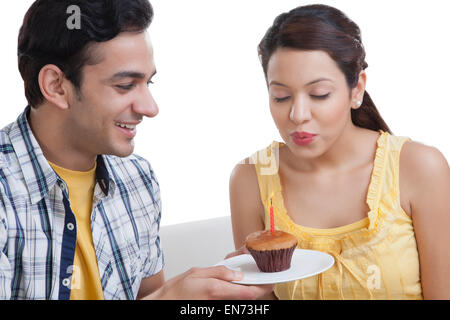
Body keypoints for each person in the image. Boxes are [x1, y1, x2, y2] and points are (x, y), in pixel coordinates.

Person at [0, 0, 272, 300]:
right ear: (56, 85)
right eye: (126, 85)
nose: (150, 108)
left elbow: (151, 295)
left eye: (148, 82)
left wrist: (210, 291)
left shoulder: (138, 180)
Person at [228, 4, 450, 300]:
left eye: (319, 94)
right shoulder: (250, 179)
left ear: (356, 89)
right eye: (280, 96)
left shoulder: (420, 167)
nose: (297, 114)